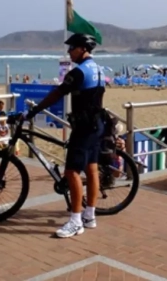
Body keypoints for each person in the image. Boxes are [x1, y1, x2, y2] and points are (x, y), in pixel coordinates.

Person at [24, 33, 106, 238]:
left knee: (72, 172)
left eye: (72, 48)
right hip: (98, 124)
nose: (69, 52)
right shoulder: (99, 69)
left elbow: (57, 93)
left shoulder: (78, 72)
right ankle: (90, 215)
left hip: (84, 127)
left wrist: (35, 110)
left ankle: (76, 221)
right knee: (92, 169)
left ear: (83, 49)